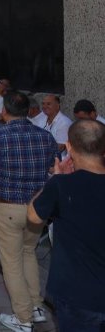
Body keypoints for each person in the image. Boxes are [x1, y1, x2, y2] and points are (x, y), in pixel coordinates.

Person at [0, 91, 57, 332]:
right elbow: (54, 168)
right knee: (28, 253)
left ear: (4, 111)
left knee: (12, 263)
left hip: (8, 207)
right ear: (28, 111)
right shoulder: (45, 136)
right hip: (37, 208)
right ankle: (36, 307)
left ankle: (23, 318)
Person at [27, 120, 105, 332]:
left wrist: (55, 178)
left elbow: (33, 216)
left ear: (69, 147)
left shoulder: (61, 185)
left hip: (76, 296)